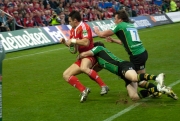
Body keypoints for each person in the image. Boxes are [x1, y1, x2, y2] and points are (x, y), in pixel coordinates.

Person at [78, 42, 178, 100]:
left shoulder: (99, 48)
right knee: (134, 96)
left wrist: (79, 57)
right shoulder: (100, 61)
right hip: (122, 73)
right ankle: (159, 89)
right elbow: (93, 71)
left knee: (135, 79)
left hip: (123, 66)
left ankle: (157, 77)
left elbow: (83, 54)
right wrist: (86, 69)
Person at [93, 10, 157, 98]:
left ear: (120, 20)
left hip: (136, 56)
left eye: (115, 19)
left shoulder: (120, 25)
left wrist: (97, 31)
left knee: (138, 80)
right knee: (139, 78)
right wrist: (113, 40)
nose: (114, 21)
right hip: (142, 52)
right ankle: (154, 90)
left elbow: (102, 34)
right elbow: (126, 42)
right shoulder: (130, 25)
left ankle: (156, 89)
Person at [59, 11, 109, 103]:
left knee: (83, 67)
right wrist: (64, 42)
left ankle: (103, 86)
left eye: (69, 21)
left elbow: (86, 42)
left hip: (90, 54)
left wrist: (73, 40)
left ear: (75, 20)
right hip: (81, 56)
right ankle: (83, 90)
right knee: (65, 75)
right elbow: (73, 49)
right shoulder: (72, 30)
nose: (68, 23)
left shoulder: (84, 27)